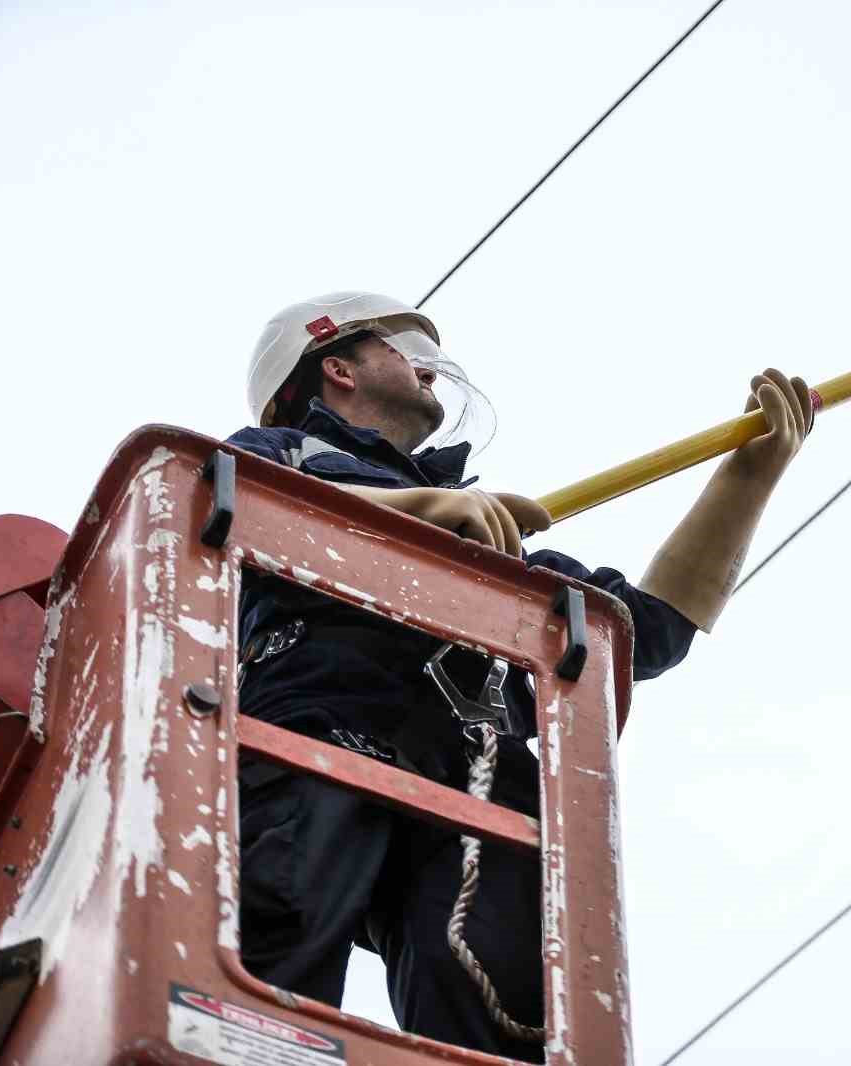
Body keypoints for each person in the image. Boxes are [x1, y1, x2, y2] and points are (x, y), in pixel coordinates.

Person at [227, 292, 810, 1061]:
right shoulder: (281, 454)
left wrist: (753, 473)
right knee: (278, 950)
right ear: (339, 366)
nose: (429, 370)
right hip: (321, 734)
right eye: (402, 350)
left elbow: (650, 629)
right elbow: (245, 506)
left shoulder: (488, 541)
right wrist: (422, 512)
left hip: (474, 782)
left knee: (497, 993)